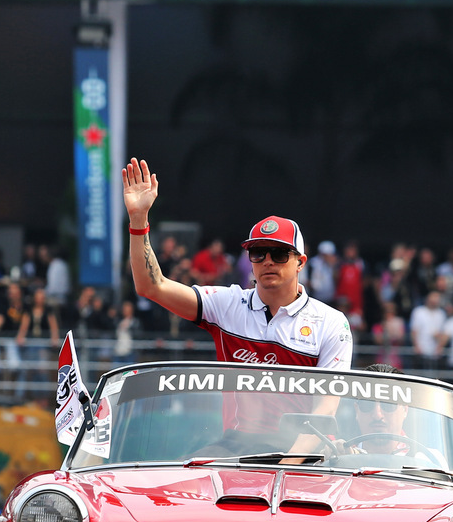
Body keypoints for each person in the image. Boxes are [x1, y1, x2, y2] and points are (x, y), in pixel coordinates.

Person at [122, 158, 351, 449]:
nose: (267, 261)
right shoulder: (228, 303)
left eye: (279, 254)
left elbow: (325, 411)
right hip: (238, 445)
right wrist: (139, 219)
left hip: (307, 450)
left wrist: (285, 466)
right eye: (258, 253)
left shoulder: (332, 322)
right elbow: (151, 286)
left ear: (300, 262)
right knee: (187, 488)